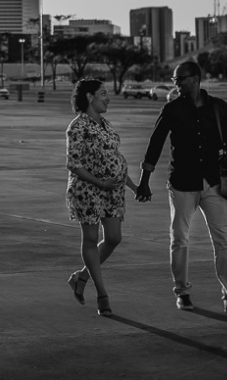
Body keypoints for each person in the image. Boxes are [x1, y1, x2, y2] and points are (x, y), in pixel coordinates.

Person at [135, 61, 227, 317]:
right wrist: (144, 180)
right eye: (175, 79)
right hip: (182, 183)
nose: (176, 83)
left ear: (197, 78)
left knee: (224, 240)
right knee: (180, 238)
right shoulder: (172, 109)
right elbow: (155, 144)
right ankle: (182, 292)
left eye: (181, 78)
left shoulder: (219, 108)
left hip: (214, 183)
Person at [65, 78, 138, 317]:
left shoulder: (106, 125)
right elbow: (73, 165)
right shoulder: (77, 126)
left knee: (114, 238)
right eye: (103, 93)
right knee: (91, 238)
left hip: (110, 191)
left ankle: (81, 277)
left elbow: (114, 160)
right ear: (89, 97)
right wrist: (100, 183)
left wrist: (133, 186)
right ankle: (102, 295)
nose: (108, 98)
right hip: (87, 189)